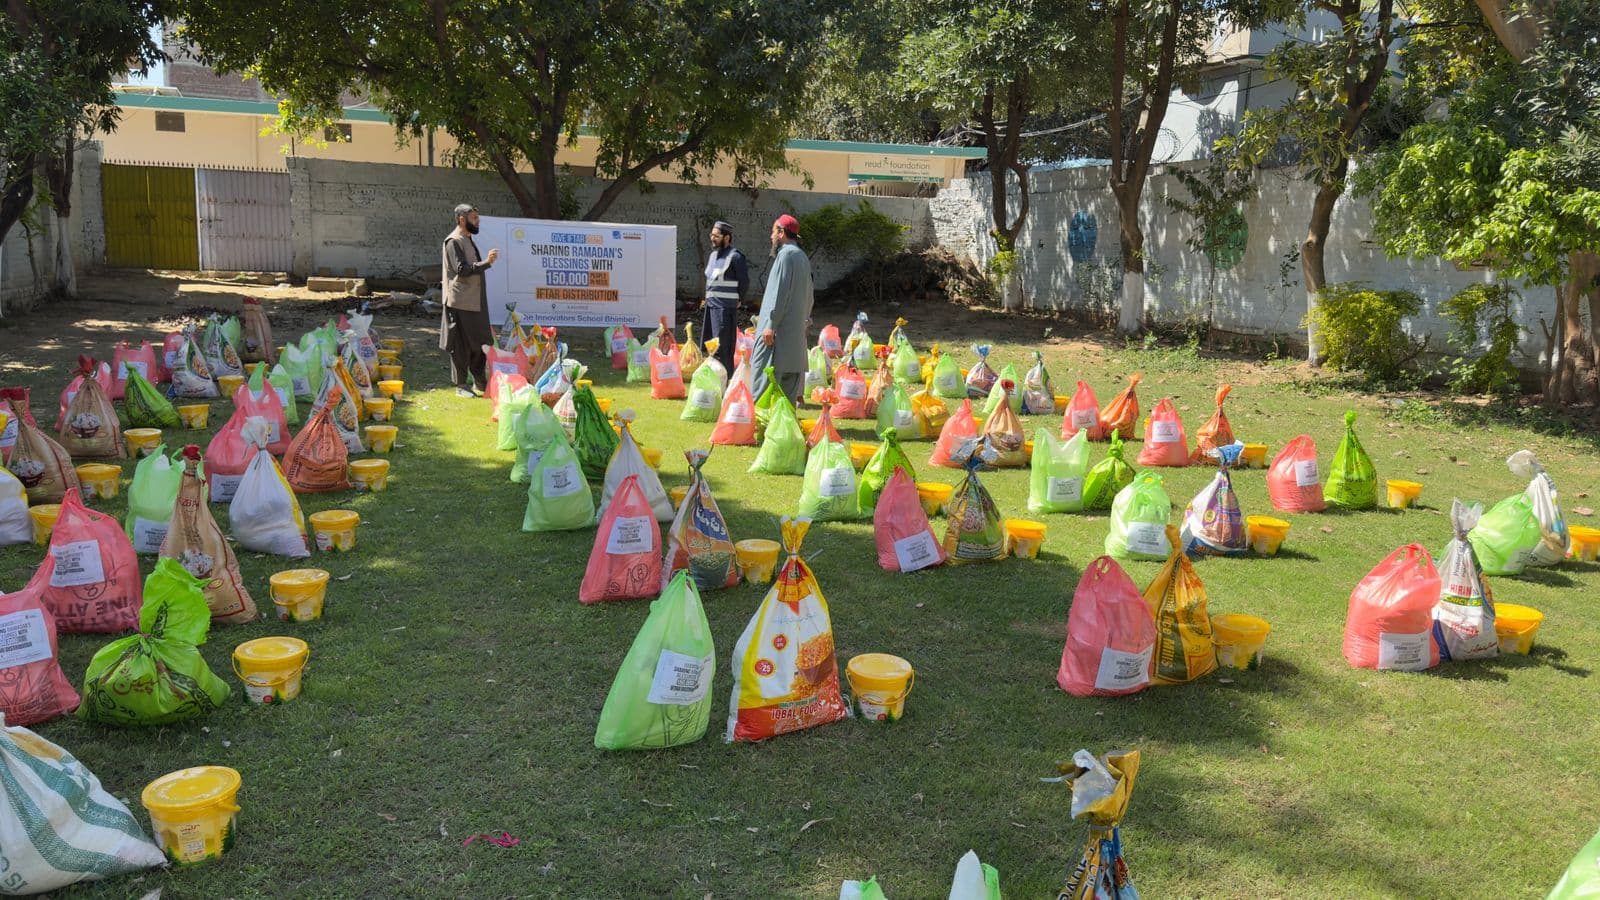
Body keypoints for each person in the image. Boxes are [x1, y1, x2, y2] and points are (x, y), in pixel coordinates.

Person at [749, 214, 813, 403]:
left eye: (773, 231)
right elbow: (809, 297)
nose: (771, 237)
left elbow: (779, 294)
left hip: (776, 337)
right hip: (795, 340)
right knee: (787, 398)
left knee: (762, 385)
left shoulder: (785, 255)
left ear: (781, 232)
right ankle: (783, 431)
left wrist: (771, 325)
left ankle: (758, 428)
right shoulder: (802, 257)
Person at [438, 203, 499, 397]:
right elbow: (462, 270)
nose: (478, 222)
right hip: (459, 302)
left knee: (481, 342)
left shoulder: (467, 239)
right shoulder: (453, 241)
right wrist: (487, 263)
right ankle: (461, 385)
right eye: (474, 218)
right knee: (461, 344)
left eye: (477, 218)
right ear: (461, 219)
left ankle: (480, 382)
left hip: (473, 300)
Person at [700, 220, 749, 373]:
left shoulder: (736, 257)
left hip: (724, 309)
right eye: (711, 235)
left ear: (727, 237)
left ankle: (726, 380)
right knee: (710, 345)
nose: (712, 238)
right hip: (710, 308)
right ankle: (713, 376)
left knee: (723, 347)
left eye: (716, 236)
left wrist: (738, 299)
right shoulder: (713, 255)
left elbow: (744, 282)